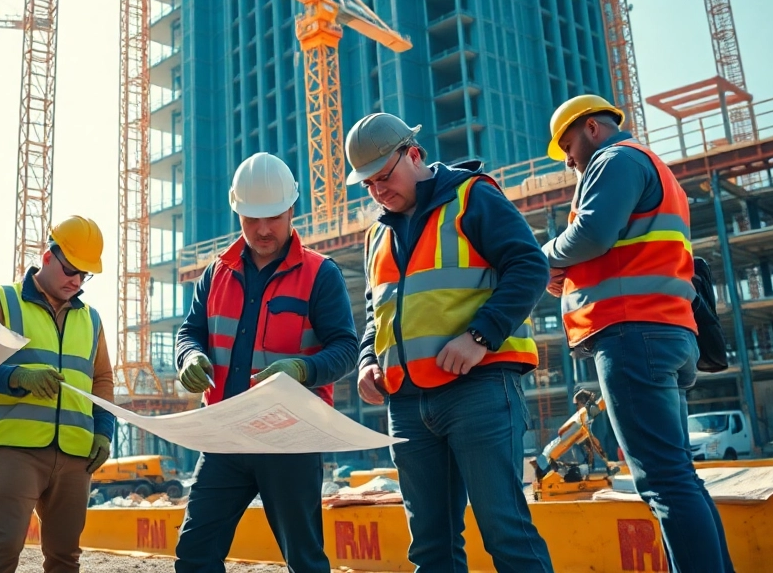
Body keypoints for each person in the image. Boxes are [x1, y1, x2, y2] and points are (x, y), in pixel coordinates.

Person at [348, 113, 554, 573]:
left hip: (477, 389)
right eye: (368, 184)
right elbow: (377, 310)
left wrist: (480, 335)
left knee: (504, 530)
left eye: (384, 176)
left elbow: (529, 266)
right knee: (430, 546)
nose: (378, 191)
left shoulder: (472, 196)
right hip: (406, 402)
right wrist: (367, 359)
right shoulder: (376, 233)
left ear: (413, 154)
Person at [542, 95, 733, 573]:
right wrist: (569, 269)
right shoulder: (653, 168)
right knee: (679, 477)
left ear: (592, 128)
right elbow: (618, 246)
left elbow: (592, 234)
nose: (568, 161)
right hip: (664, 331)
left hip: (632, 333)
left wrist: (542, 258)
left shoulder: (615, 160)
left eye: (568, 146)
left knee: (663, 482)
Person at [173, 153, 358, 573]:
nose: (262, 229)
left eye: (273, 217)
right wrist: (189, 356)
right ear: (236, 211)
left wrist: (303, 370)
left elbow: (346, 347)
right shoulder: (215, 273)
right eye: (251, 218)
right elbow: (190, 332)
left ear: (292, 209)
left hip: (290, 438)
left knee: (304, 560)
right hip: (225, 437)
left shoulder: (320, 274)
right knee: (195, 554)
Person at [0, 216, 116, 573]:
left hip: (75, 454)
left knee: (65, 557)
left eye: (84, 275)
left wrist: (104, 432)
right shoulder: (3, 302)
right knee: (3, 550)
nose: (76, 281)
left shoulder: (91, 319)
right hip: (14, 449)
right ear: (48, 256)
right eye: (70, 270)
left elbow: (102, 380)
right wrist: (16, 377)